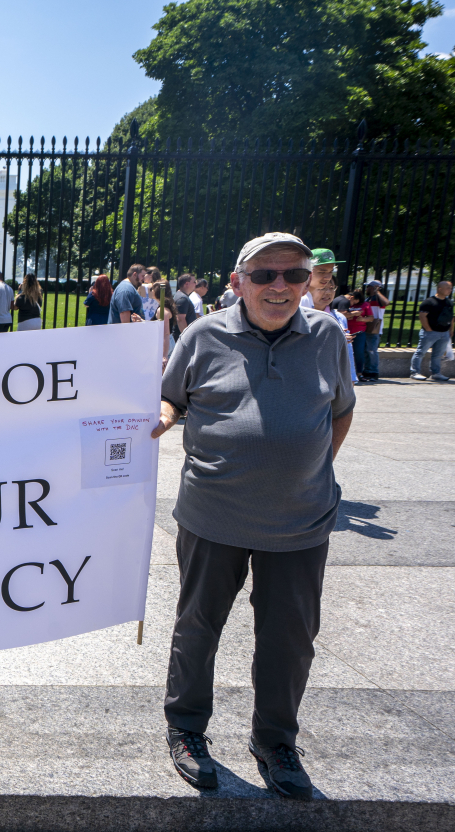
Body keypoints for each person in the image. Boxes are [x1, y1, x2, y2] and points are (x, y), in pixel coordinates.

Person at [152, 232, 354, 802]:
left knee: (290, 638)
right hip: (213, 514)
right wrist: (163, 419)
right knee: (198, 626)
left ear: (307, 281)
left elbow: (341, 411)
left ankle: (275, 740)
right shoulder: (203, 334)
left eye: (293, 275)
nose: (279, 286)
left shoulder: (327, 338)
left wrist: (310, 469)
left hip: (300, 521)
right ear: (239, 281)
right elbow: (174, 398)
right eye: (265, 274)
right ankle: (187, 729)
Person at [411, 280, 452, 381]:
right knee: (420, 352)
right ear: (440, 289)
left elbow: (451, 317)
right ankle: (415, 372)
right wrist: (428, 329)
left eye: (450, 288)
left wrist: (451, 330)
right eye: (447, 288)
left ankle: (435, 373)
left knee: (438, 355)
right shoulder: (429, 302)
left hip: (444, 332)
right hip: (430, 332)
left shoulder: (449, 302)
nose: (450, 290)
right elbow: (422, 316)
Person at [359, 280, 389, 381]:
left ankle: (373, 372)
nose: (366, 289)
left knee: (371, 351)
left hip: (375, 328)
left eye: (368, 287)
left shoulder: (379, 298)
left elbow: (386, 303)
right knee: (366, 351)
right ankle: (367, 371)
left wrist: (378, 291)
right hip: (367, 327)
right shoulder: (368, 299)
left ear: (373, 287)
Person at [169, 273, 198, 345]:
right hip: (181, 338)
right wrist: (187, 337)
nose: (196, 284)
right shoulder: (183, 298)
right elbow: (180, 319)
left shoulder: (181, 296)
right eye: (194, 282)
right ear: (187, 284)